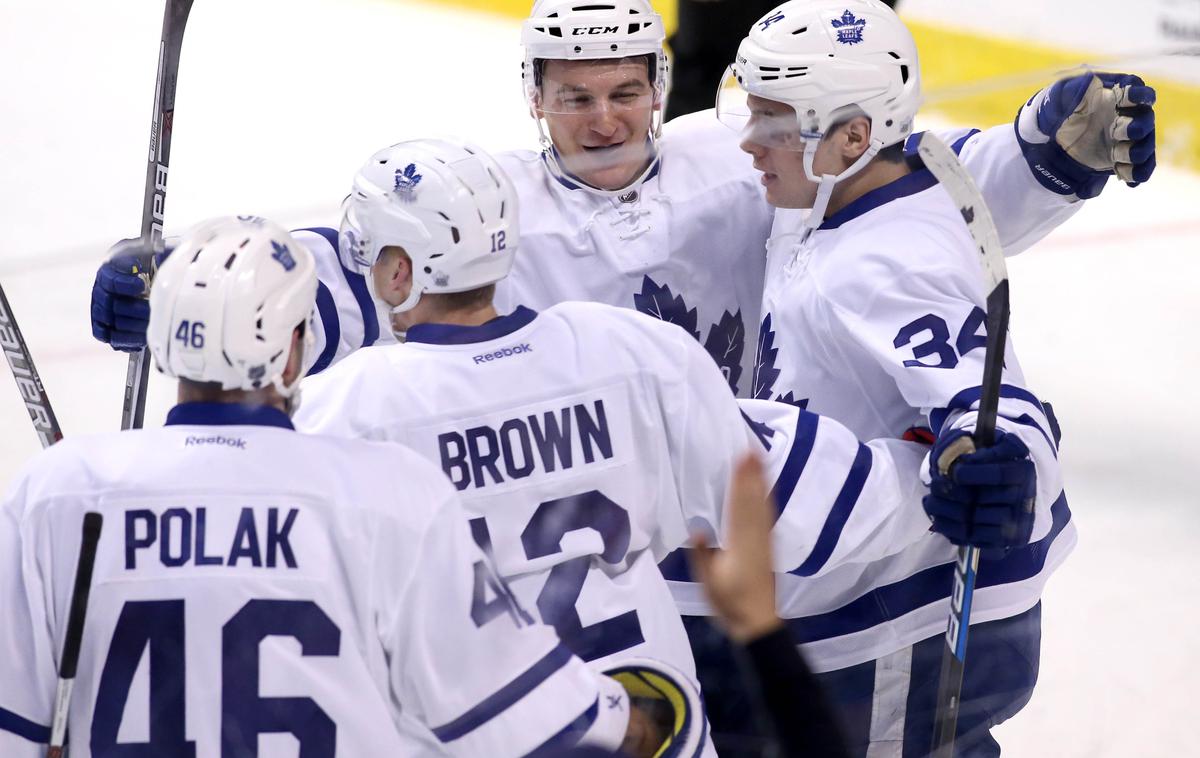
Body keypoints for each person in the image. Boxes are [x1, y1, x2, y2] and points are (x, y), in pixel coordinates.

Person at [293, 138, 973, 755]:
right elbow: (805, 502)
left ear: (397, 271)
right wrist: (936, 475)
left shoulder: (348, 410)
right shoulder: (625, 352)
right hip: (654, 724)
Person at [0, 216, 685, 758]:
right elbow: (516, 711)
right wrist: (640, 723)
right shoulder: (384, 496)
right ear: (291, 348)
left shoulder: (58, 495)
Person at [713, 0, 1152, 753]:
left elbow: (992, 401)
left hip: (897, 615)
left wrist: (1002, 467)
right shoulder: (853, 181)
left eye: (775, 125)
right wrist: (1039, 151)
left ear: (853, 135)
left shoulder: (881, 269)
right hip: (858, 597)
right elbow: (960, 179)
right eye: (753, 114)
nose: (752, 144)